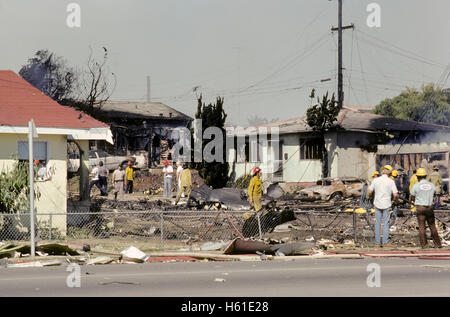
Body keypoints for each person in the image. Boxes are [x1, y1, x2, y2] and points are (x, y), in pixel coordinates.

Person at [368, 165, 400, 247]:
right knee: (386, 223)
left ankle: (377, 243)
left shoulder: (375, 180)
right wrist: (397, 201)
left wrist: (369, 187)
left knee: (377, 223)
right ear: (389, 173)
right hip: (387, 204)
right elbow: (395, 194)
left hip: (377, 203)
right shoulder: (391, 181)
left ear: (382, 171)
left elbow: (369, 192)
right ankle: (385, 242)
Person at [410, 168, 442, 249]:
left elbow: (412, 197)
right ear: (425, 176)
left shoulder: (416, 186)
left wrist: (415, 200)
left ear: (417, 176)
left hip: (420, 207)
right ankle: (437, 244)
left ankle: (424, 245)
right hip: (429, 207)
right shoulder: (431, 185)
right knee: (432, 226)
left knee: (421, 226)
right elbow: (434, 196)